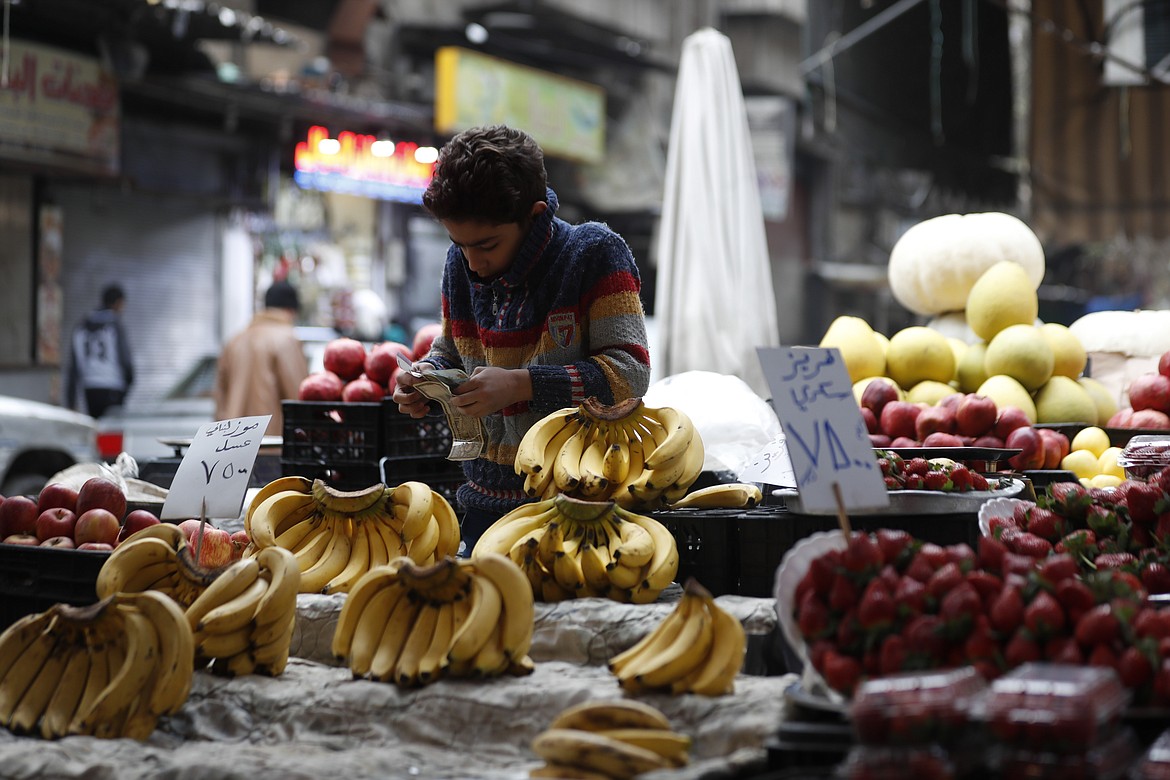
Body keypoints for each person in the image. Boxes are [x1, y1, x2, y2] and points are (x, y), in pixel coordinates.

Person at [393, 125, 651, 552]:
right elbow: (450, 350)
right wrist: (427, 378)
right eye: (460, 245)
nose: (474, 263)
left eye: (487, 245)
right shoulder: (459, 263)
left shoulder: (593, 254)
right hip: (481, 510)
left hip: (582, 513)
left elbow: (630, 373)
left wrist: (523, 385)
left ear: (533, 215)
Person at [215, 280, 310, 436]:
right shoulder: (287, 339)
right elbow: (298, 397)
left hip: (232, 447)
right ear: (291, 310)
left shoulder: (235, 340)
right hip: (272, 444)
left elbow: (220, 399)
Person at [67, 283, 135, 418]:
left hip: (89, 388)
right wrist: (128, 384)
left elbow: (73, 368)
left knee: (96, 430)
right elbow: (126, 361)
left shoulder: (81, 326)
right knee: (112, 433)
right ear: (118, 303)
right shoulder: (114, 326)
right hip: (113, 387)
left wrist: (71, 401)